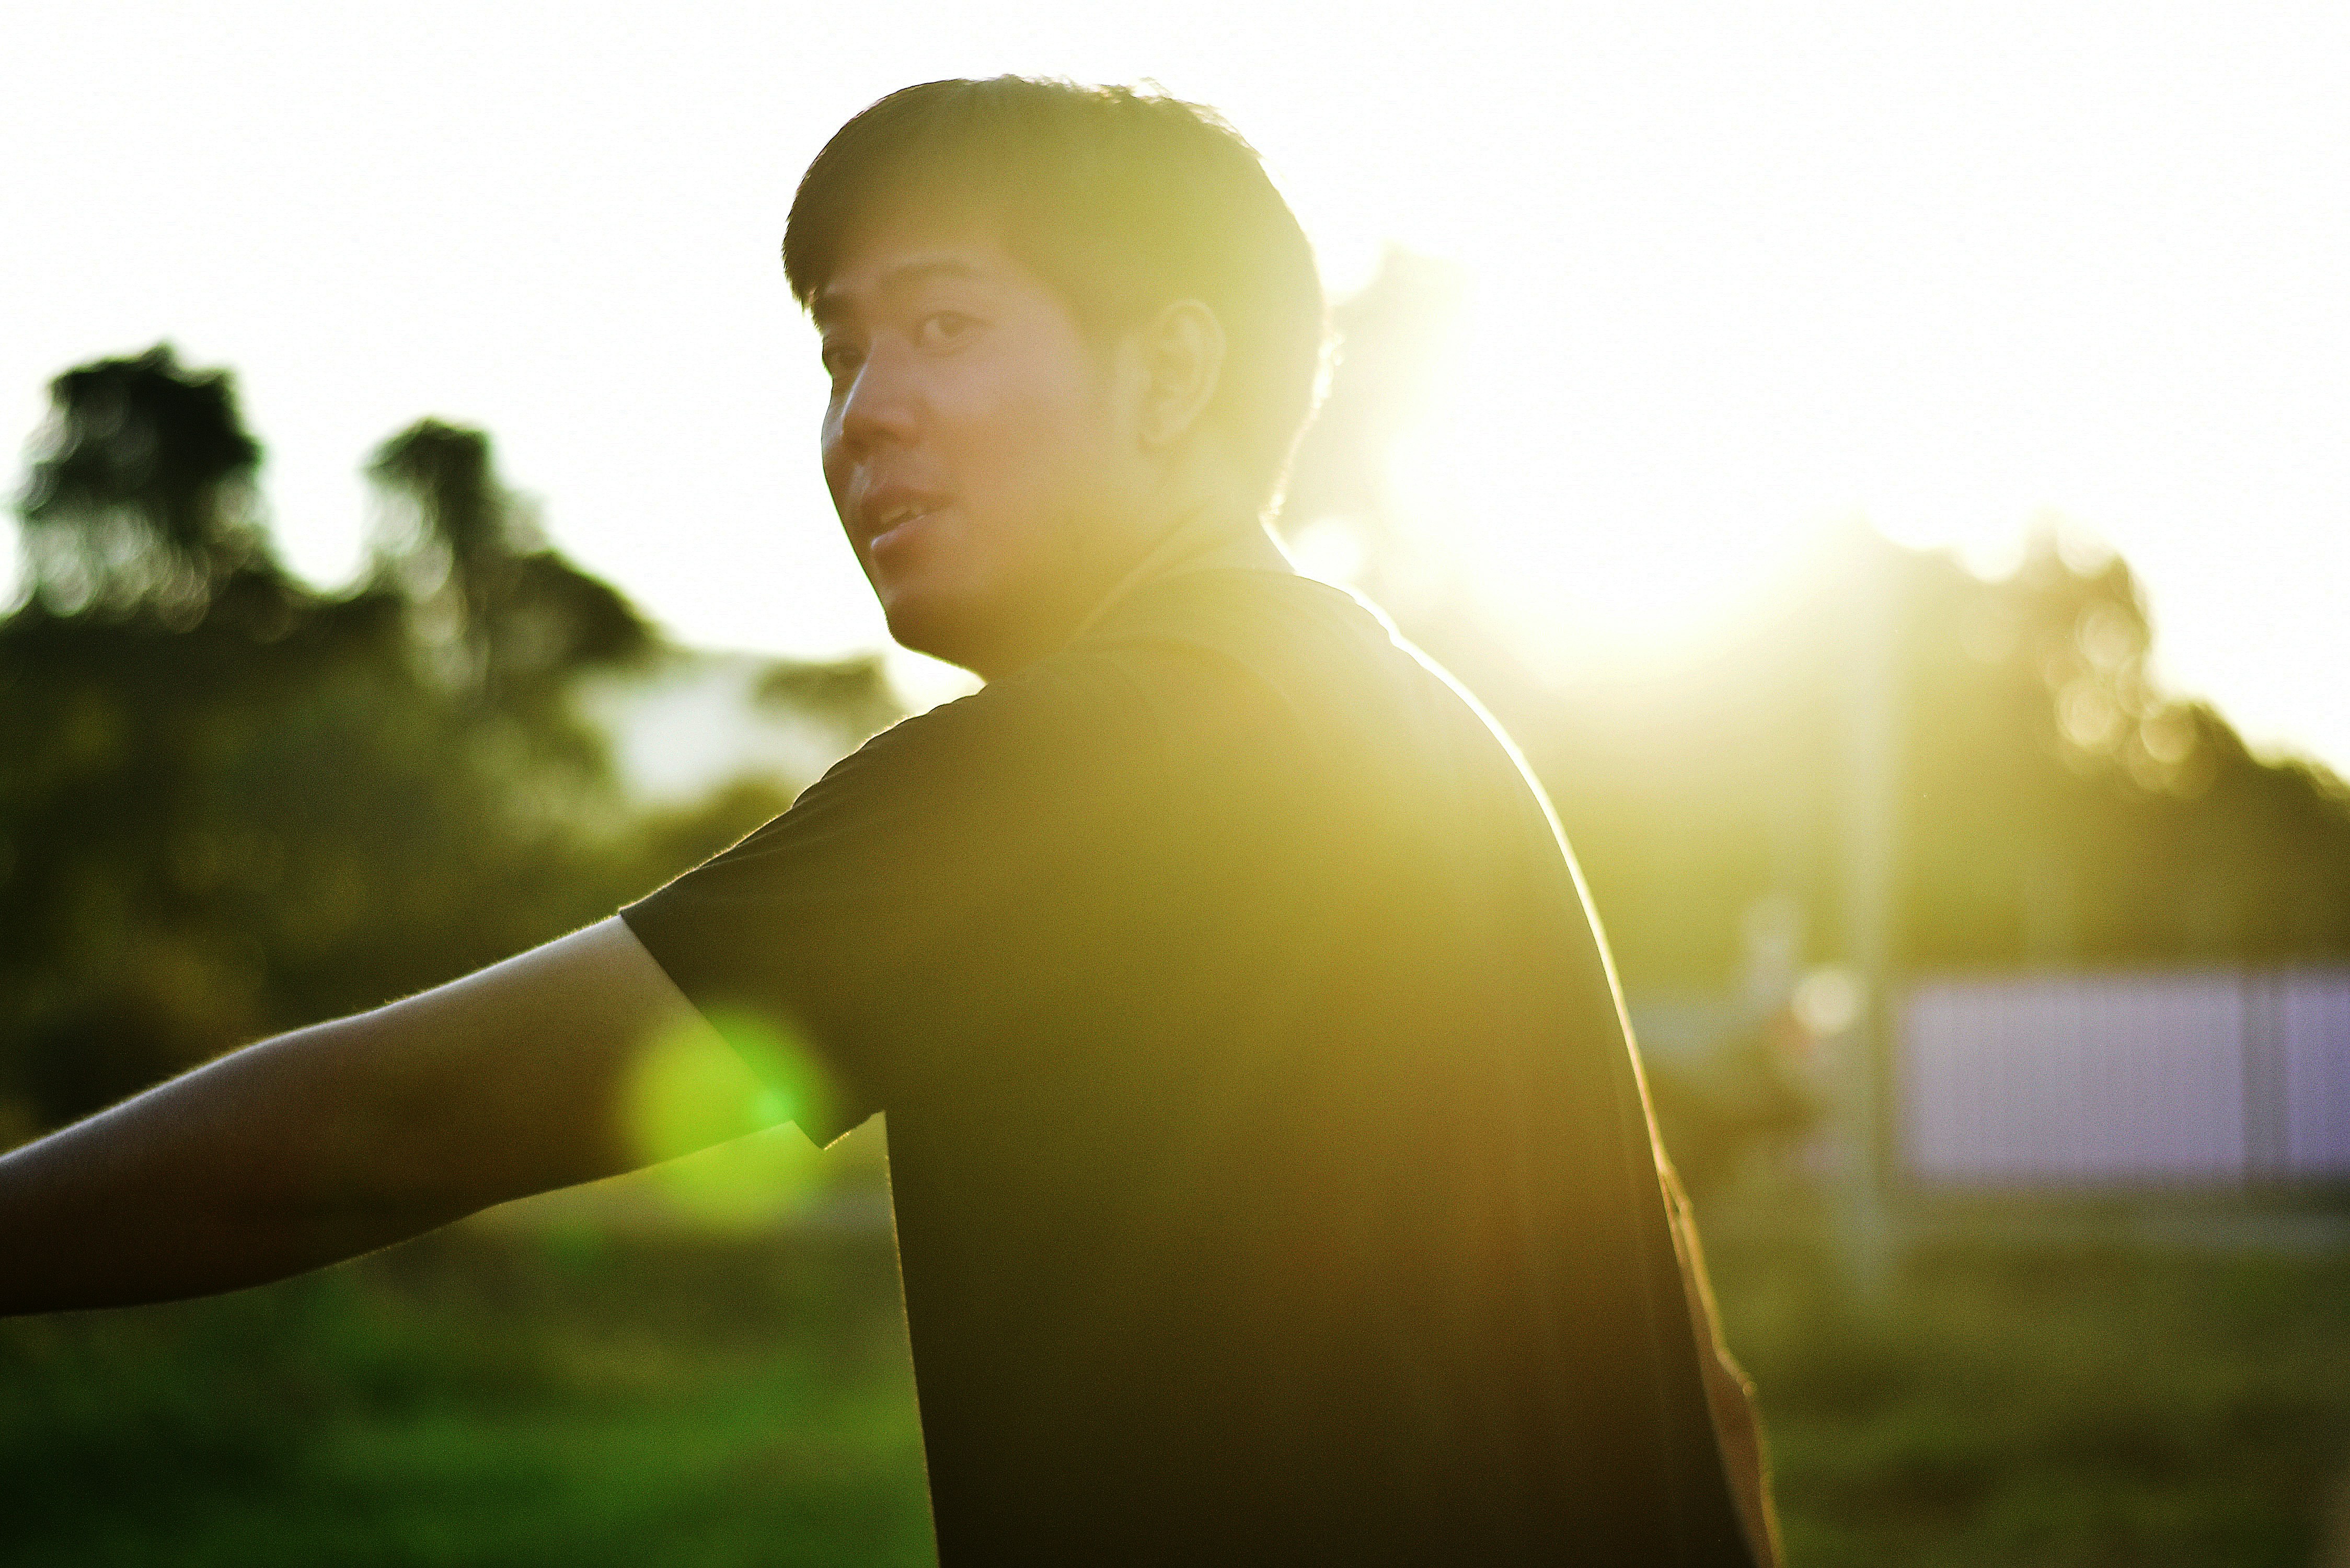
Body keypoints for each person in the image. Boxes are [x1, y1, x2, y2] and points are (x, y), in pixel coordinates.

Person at [0, 78, 1780, 1564]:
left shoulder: (1102, 756)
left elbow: (400, 1122)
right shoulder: (1442, 747)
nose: (864, 417)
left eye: (940, 326)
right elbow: (1699, 1392)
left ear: (1170, 374)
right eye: (840, 355)